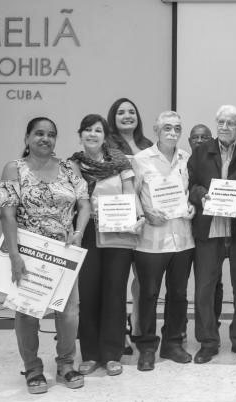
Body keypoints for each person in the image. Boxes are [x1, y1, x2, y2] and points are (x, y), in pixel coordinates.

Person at [0, 117, 91, 394]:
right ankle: (33, 369)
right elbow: (6, 214)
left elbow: (84, 204)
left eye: (51, 134)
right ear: (27, 138)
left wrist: (79, 232)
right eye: (39, 133)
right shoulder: (14, 168)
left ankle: (66, 364)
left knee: (69, 313)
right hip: (29, 253)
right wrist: (15, 256)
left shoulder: (69, 168)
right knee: (27, 313)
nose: (45, 138)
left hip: (64, 252)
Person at [188, 105, 236, 364]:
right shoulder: (201, 152)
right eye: (221, 122)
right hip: (208, 229)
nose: (224, 127)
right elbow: (191, 184)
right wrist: (202, 195)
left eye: (231, 123)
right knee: (204, 290)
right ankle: (208, 342)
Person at [70, 115, 138, 377]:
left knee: (115, 291)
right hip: (86, 232)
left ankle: (111, 354)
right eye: (87, 129)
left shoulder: (120, 162)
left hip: (118, 231)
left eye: (98, 130)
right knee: (88, 293)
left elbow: (130, 193)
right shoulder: (73, 164)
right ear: (80, 135)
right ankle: (89, 354)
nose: (92, 134)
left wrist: (135, 218)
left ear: (105, 136)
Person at [133, 111, 196, 370]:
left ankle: (173, 343)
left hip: (182, 238)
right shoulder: (141, 159)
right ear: (156, 131)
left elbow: (190, 192)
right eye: (167, 128)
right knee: (149, 294)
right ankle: (147, 347)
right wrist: (145, 213)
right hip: (151, 239)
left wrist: (192, 206)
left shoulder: (187, 158)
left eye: (177, 128)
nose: (172, 132)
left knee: (178, 294)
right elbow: (132, 194)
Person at [106, 97, 153, 349]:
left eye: (131, 112)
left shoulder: (149, 145)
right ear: (113, 118)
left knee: (143, 280)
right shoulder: (106, 145)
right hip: (120, 220)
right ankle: (119, 333)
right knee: (118, 281)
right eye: (121, 112)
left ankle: (137, 324)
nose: (127, 116)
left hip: (148, 221)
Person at [188, 124, 225, 328]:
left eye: (205, 137)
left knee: (214, 282)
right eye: (196, 137)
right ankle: (200, 331)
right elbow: (190, 187)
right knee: (200, 285)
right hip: (188, 232)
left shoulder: (218, 162)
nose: (200, 141)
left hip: (216, 231)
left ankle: (213, 324)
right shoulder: (184, 160)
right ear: (189, 141)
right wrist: (200, 194)